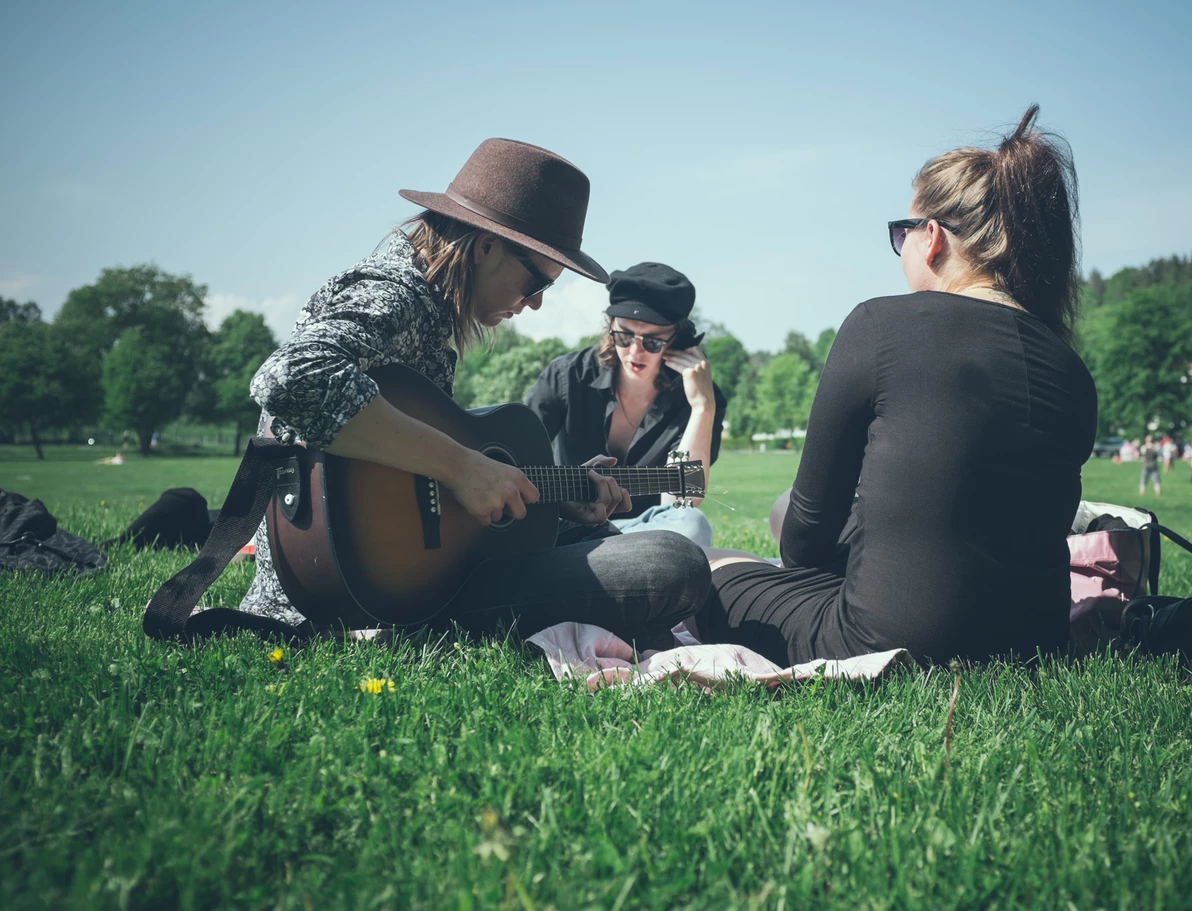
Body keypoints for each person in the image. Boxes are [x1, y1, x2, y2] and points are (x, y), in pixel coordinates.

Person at [238, 139, 711, 650]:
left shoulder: (430, 311)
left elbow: (425, 497)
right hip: (354, 593)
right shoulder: (396, 290)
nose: (533, 305)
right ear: (485, 246)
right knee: (668, 563)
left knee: (642, 553)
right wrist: (463, 466)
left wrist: (553, 501)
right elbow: (290, 376)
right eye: (536, 282)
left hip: (398, 581)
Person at [696, 105, 1097, 667]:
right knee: (786, 512)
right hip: (1032, 644)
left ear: (931, 238)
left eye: (899, 232)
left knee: (705, 565)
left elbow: (804, 541)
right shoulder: (1068, 367)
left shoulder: (881, 325)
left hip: (887, 639)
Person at [525, 263, 726, 547]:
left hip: (647, 532)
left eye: (653, 341)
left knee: (692, 523)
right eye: (624, 335)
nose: (635, 351)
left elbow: (683, 498)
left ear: (677, 340)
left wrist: (702, 408)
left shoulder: (697, 398)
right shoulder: (567, 376)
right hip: (569, 527)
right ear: (610, 328)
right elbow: (518, 457)